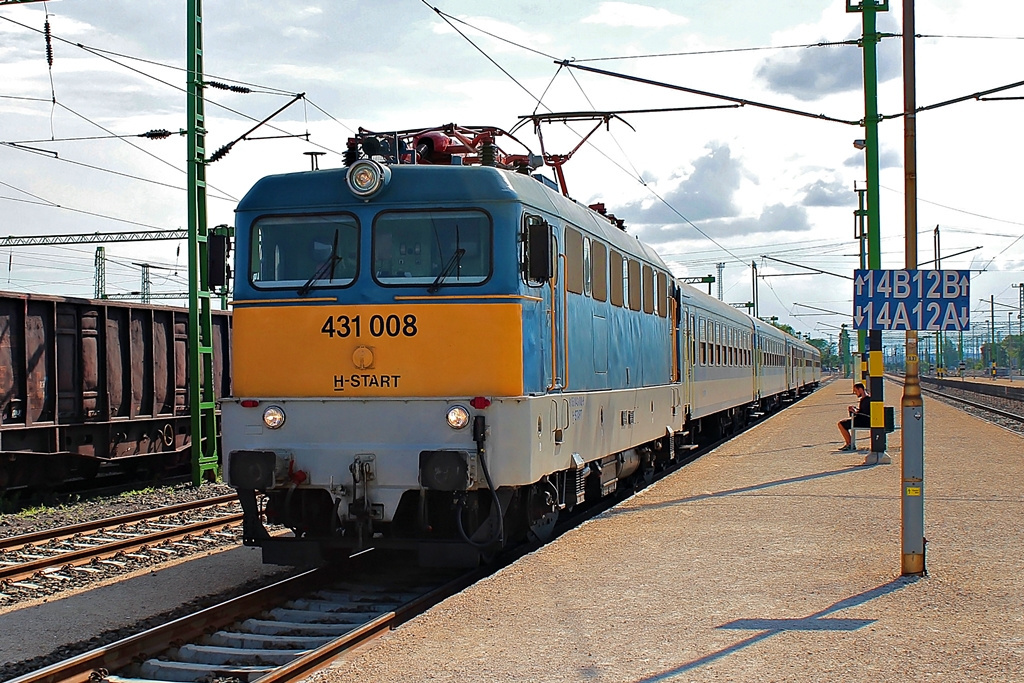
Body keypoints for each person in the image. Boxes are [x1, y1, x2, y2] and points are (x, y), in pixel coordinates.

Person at [837, 382, 870, 451]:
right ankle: (849, 443)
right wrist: (855, 410)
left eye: (856, 391)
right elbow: (863, 412)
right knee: (843, 423)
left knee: (841, 424)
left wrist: (855, 411)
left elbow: (864, 414)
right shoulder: (865, 399)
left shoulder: (866, 400)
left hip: (865, 422)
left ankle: (849, 444)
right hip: (864, 420)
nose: (855, 393)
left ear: (860, 389)